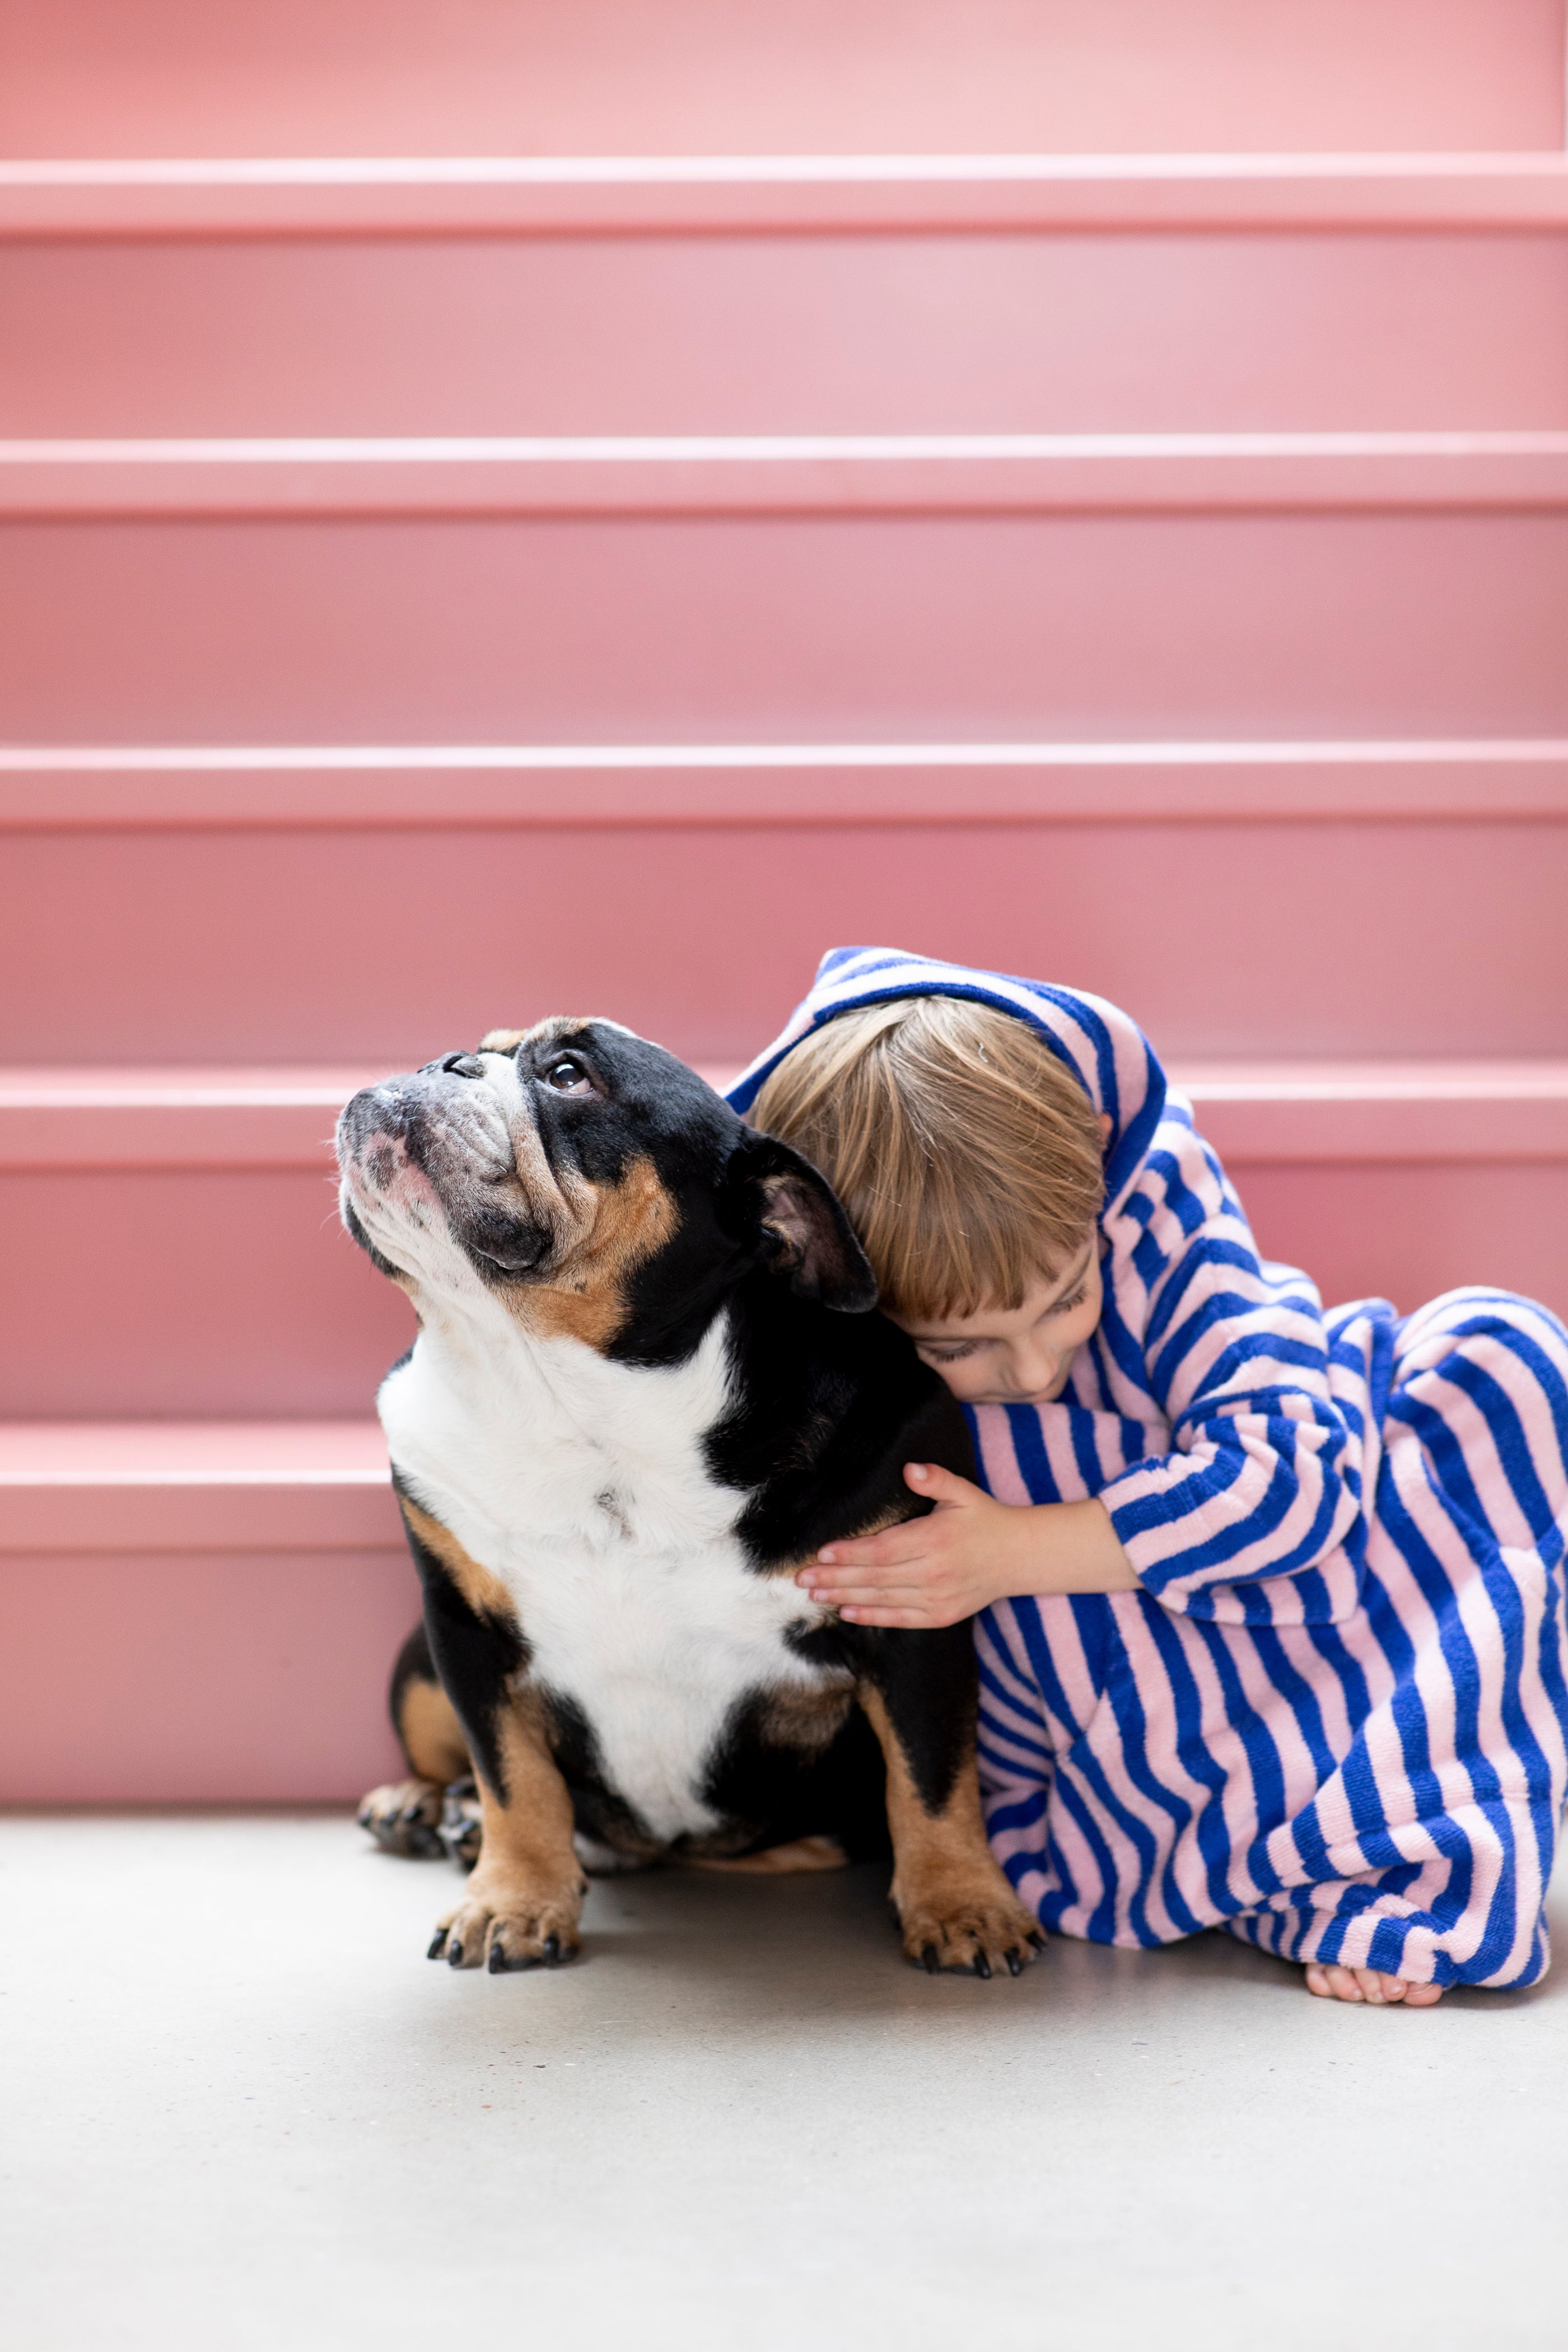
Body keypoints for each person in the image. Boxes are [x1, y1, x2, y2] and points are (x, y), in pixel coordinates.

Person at [730, 948, 1568, 2006]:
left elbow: (1294, 1475)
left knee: (1504, 1360)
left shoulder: (1151, 1204)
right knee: (1042, 1532)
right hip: (1106, 1692)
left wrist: (1013, 1550)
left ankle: (1414, 1825)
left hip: (1309, 1544)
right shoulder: (809, 1320)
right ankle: (1299, 1859)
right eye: (960, 1349)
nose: (1035, 1369)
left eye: (1068, 1298)